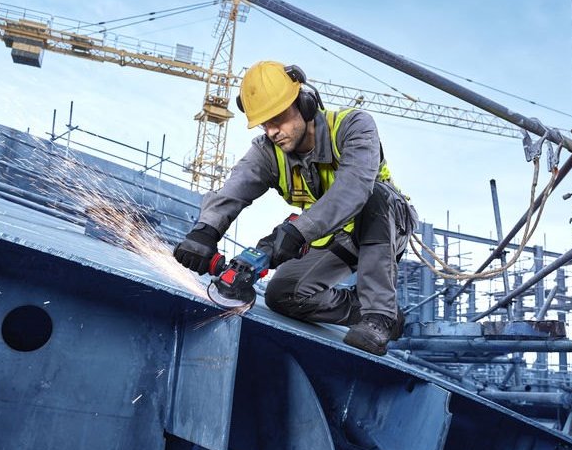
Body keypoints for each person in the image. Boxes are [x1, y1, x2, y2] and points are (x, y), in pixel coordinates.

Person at [174, 60, 417, 356]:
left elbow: (353, 189)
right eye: (265, 124)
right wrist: (205, 232)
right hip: (332, 233)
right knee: (283, 295)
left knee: (376, 196)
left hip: (384, 222)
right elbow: (235, 187)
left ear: (305, 104)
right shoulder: (267, 151)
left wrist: (296, 232)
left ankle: (379, 316)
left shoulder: (353, 126)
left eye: (278, 118)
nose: (272, 131)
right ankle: (367, 310)